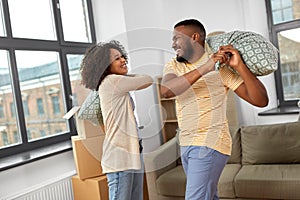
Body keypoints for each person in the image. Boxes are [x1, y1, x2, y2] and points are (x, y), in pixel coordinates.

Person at [160, 19, 269, 200]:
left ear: (194, 37)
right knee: (207, 196)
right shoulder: (174, 65)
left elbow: (261, 100)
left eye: (177, 39)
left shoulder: (221, 71)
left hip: (209, 143)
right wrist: (206, 66)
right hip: (186, 142)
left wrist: (239, 66)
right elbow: (166, 90)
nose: (173, 44)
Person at [80, 40, 153, 200]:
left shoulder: (116, 83)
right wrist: (126, 75)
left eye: (122, 57)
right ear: (105, 66)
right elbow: (147, 79)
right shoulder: (112, 81)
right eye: (116, 58)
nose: (123, 60)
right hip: (120, 158)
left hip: (133, 153)